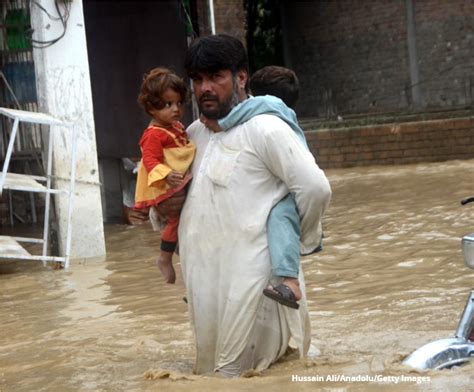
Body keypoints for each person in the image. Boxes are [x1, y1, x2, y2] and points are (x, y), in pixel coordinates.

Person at [176, 34, 332, 377]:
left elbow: (315, 188)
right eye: (198, 80)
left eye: (216, 77)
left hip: (255, 288)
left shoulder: (266, 128)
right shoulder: (193, 136)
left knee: (245, 376)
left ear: (241, 78)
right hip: (206, 283)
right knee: (211, 373)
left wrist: (291, 245)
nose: (205, 88)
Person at [201, 65, 319, 309]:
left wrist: (222, 123)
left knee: (279, 218)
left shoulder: (269, 111)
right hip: (288, 184)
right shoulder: (282, 114)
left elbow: (246, 110)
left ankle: (290, 282)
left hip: (288, 191)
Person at [134, 67, 196, 284]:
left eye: (179, 103)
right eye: (168, 104)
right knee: (175, 220)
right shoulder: (153, 134)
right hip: (167, 185)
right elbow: (150, 161)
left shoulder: (174, 126)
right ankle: (164, 258)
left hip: (176, 181)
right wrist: (167, 175)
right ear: (151, 107)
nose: (176, 109)